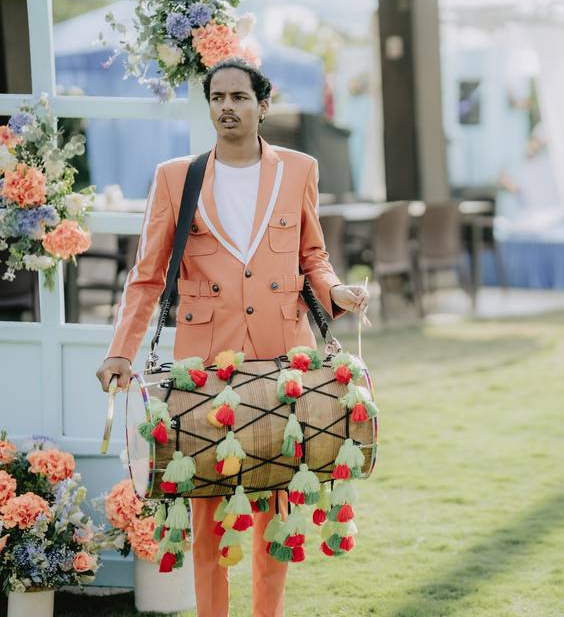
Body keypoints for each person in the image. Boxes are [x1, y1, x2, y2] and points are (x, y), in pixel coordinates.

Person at [95, 57, 368, 617]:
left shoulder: (299, 170)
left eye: (239, 97)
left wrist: (334, 291)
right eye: (217, 97)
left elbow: (311, 254)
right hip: (206, 363)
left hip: (282, 356)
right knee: (206, 509)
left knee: (276, 505)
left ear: (262, 104)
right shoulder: (177, 176)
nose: (227, 107)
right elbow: (147, 275)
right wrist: (122, 351)